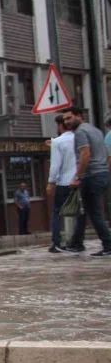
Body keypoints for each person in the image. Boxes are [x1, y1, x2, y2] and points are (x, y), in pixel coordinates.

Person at [57, 107, 111, 256]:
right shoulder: (96, 131)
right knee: (84, 211)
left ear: (80, 116)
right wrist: (104, 170)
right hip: (102, 174)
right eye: (65, 119)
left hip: (91, 176)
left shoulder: (80, 132)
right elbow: (107, 154)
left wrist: (78, 177)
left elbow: (85, 154)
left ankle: (108, 244)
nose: (66, 122)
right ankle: (76, 243)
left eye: (69, 118)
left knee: (94, 213)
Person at [46, 115, 76, 252]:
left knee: (57, 212)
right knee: (78, 211)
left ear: (59, 126)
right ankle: (76, 241)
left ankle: (56, 242)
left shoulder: (58, 142)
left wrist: (51, 182)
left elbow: (55, 164)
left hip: (64, 182)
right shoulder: (78, 138)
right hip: (78, 180)